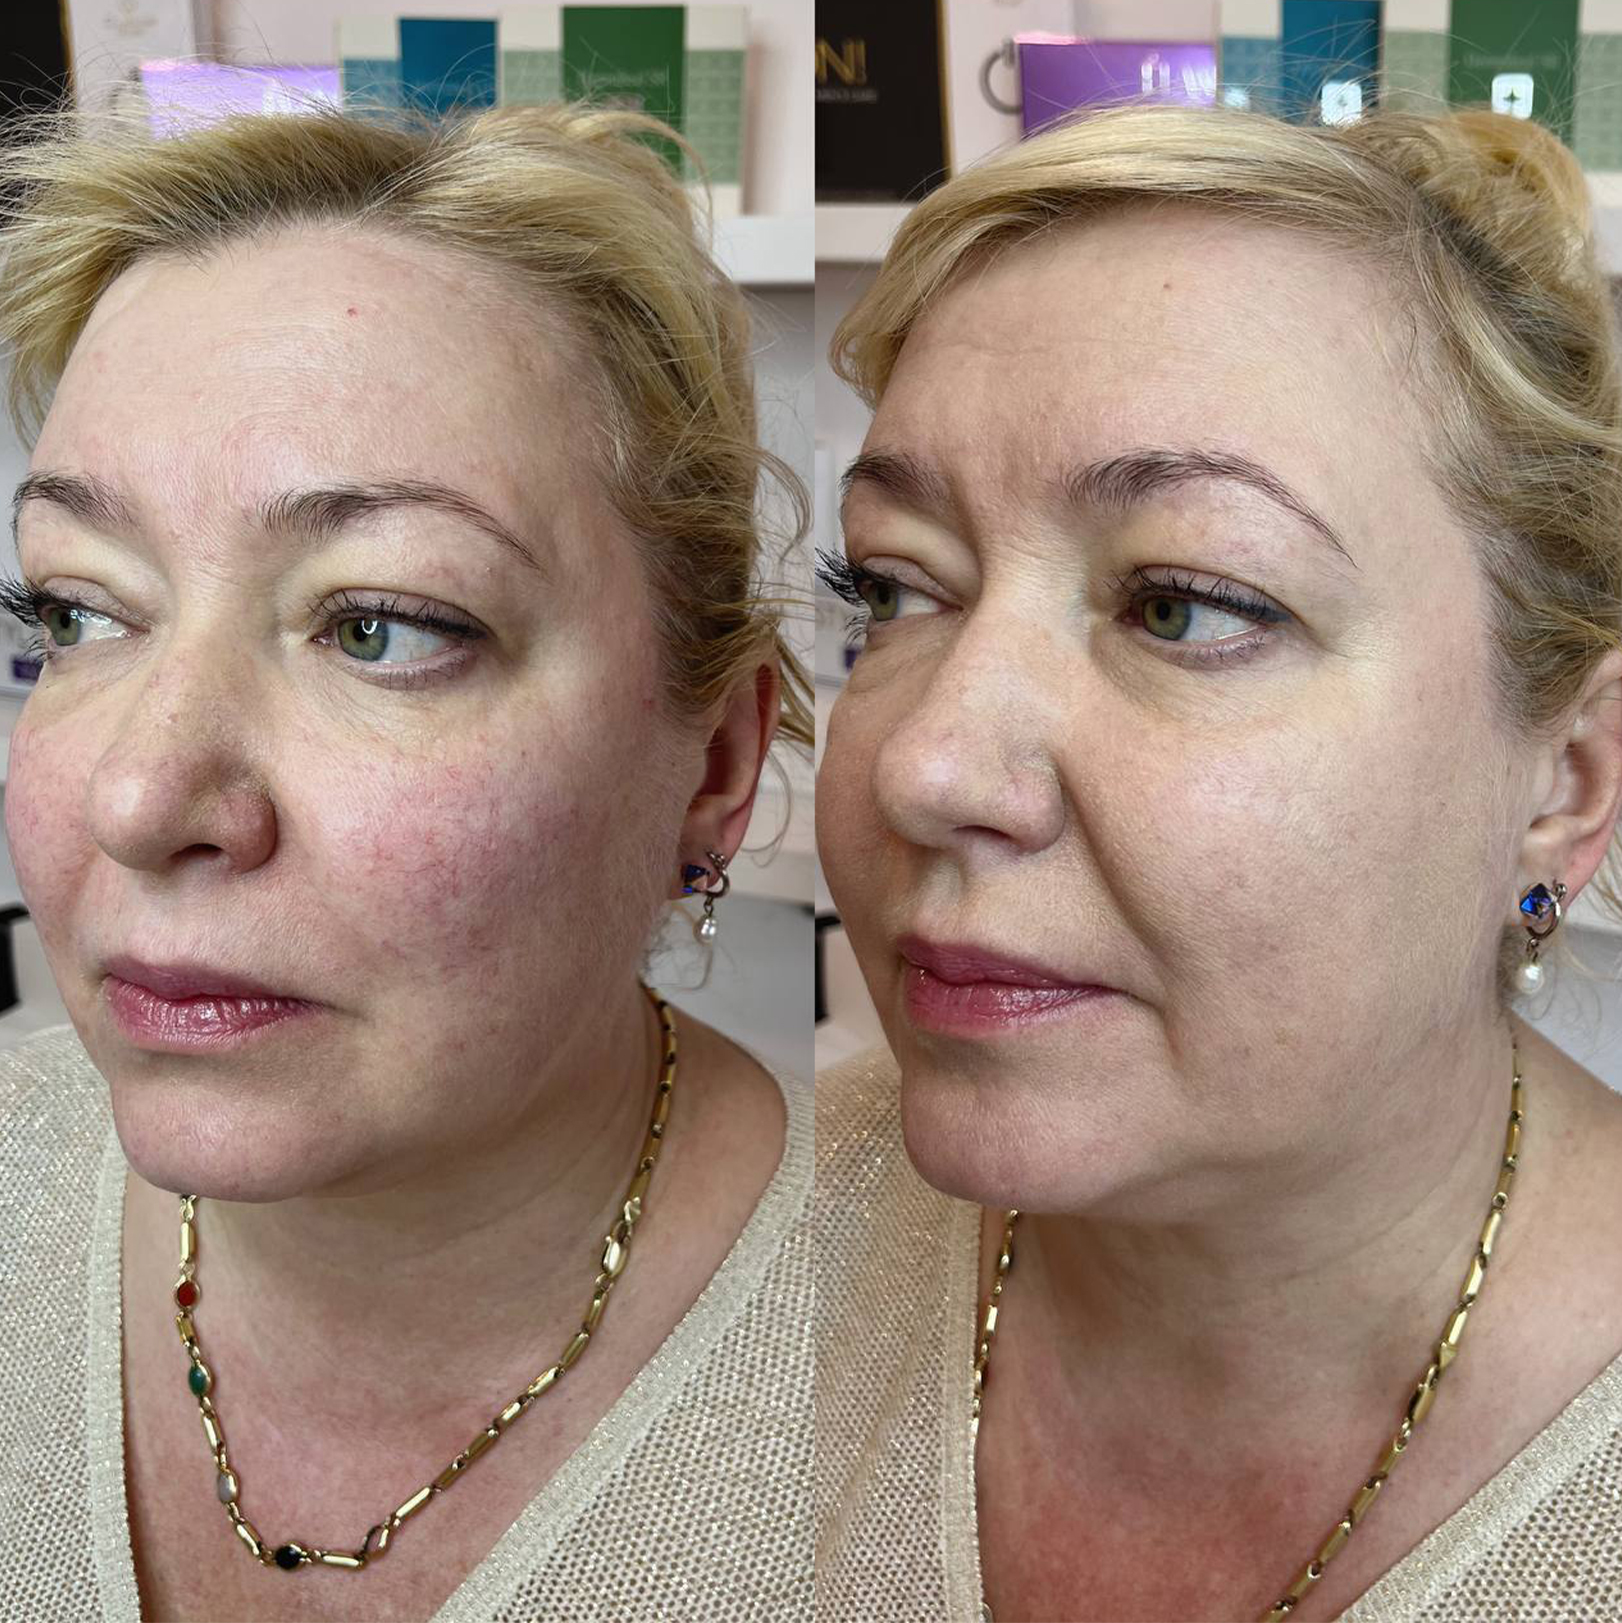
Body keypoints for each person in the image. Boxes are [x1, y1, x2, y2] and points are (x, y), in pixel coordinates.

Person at [0, 94, 813, 1621]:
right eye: (79, 611)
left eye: (379, 627)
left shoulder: (925, 1374)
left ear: (711, 766)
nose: (140, 797)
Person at [814, 99, 1622, 1622]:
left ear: (1563, 783)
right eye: (896, 588)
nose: (926, 768)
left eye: (1181, 606)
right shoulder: (741, 1244)